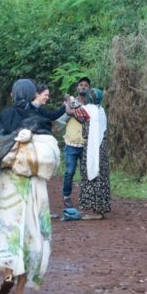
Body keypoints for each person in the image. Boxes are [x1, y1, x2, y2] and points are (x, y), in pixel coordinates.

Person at [0, 78, 60, 294]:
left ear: (13, 95)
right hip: (34, 186)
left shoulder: (6, 117)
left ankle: (8, 274)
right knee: (31, 234)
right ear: (33, 95)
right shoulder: (41, 120)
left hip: (8, 185)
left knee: (9, 232)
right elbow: (52, 159)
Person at [79, 88, 111, 218]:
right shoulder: (101, 110)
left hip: (92, 146)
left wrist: (69, 101)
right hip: (102, 146)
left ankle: (96, 212)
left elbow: (72, 112)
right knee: (102, 175)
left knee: (92, 173)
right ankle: (101, 208)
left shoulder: (88, 110)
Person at [62, 77, 91, 208]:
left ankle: (85, 198)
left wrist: (69, 104)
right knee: (70, 171)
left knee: (86, 173)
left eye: (86, 85)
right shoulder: (70, 102)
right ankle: (66, 196)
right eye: (81, 85)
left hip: (86, 143)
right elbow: (62, 119)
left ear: (89, 88)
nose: (83, 87)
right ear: (77, 88)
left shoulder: (91, 105)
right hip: (71, 143)